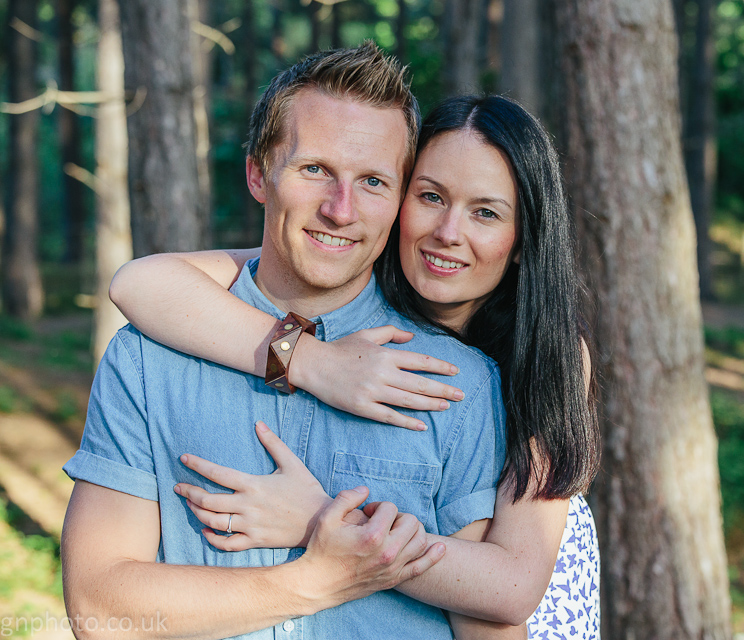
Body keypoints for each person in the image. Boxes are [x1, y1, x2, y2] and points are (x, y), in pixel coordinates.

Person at [61, 44, 514, 640]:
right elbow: (98, 606)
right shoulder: (147, 358)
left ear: (399, 200)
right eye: (315, 170)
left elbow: (490, 620)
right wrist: (312, 582)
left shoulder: (457, 382)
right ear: (258, 174)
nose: (340, 210)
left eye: (372, 181)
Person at [110, 91, 602, 638]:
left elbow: (511, 588)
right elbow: (138, 283)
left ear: (523, 239)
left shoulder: (545, 352)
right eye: (431, 196)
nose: (448, 232)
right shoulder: (350, 267)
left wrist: (320, 520)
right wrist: (311, 360)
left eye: (485, 212)